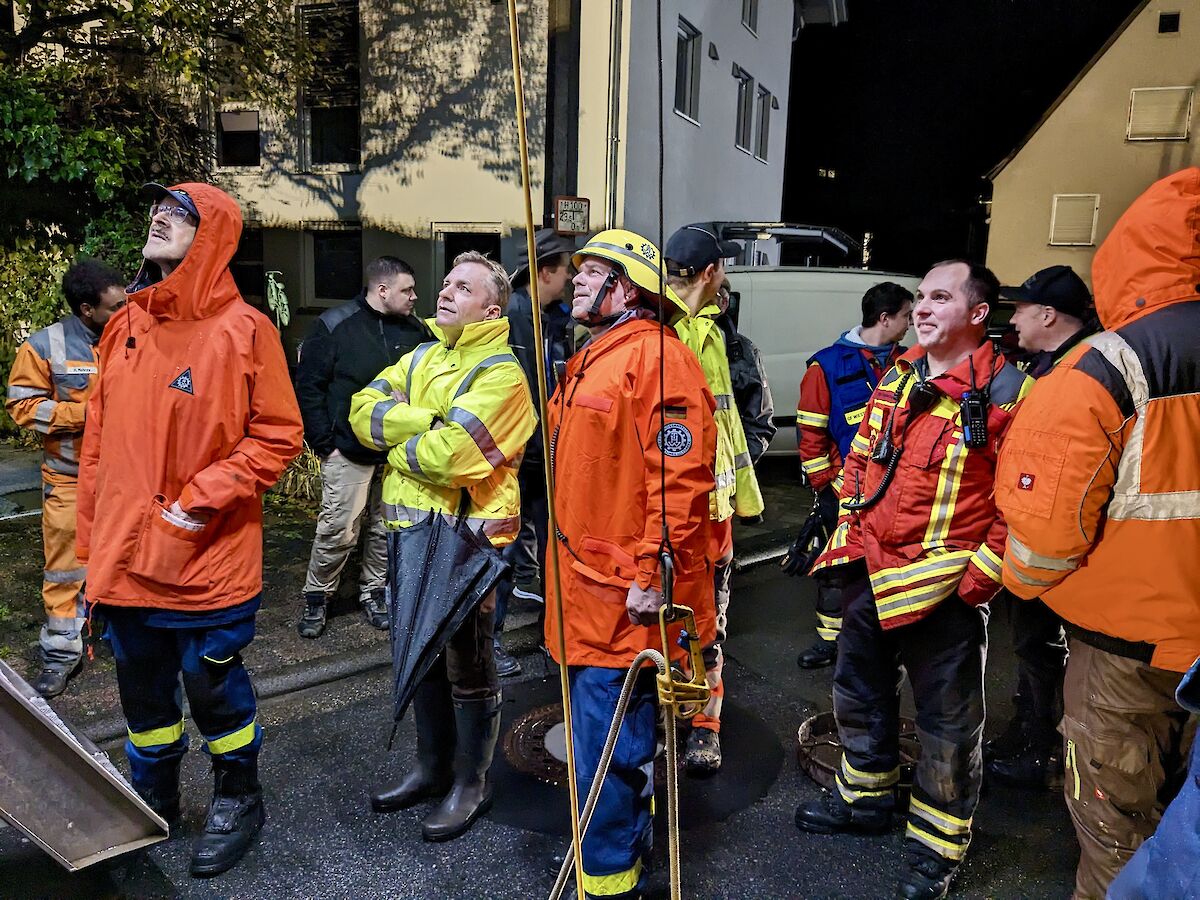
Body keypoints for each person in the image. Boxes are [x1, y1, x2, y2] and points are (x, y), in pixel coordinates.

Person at [75, 183, 303, 876]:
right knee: (142, 696)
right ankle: (156, 799)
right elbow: (97, 452)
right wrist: (89, 556)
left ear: (213, 237)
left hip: (204, 560)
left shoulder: (246, 330)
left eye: (179, 214)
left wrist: (198, 499)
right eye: (157, 210)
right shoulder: (126, 326)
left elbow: (278, 435)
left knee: (213, 691)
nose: (159, 217)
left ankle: (240, 797)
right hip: (124, 564)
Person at [794, 260, 1032, 900]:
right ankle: (866, 803)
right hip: (872, 573)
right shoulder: (899, 376)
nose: (922, 308)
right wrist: (846, 537)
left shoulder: (1012, 392)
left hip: (945, 591)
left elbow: (1025, 502)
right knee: (857, 691)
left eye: (940, 298)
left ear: (978, 314)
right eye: (920, 298)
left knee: (947, 725)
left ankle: (936, 848)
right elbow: (859, 465)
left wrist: (979, 581)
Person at [995, 168, 1200, 900]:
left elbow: (1044, 539)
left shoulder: (1105, 369)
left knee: (1117, 834)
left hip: (1125, 660)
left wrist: (1017, 588)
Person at [545, 229, 716, 899]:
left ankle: (609, 881)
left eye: (594, 271)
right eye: (581, 270)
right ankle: (621, 853)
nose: (577, 280)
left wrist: (651, 575)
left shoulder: (656, 361)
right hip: (587, 591)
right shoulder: (599, 356)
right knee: (613, 741)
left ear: (629, 288)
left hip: (622, 596)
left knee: (607, 748)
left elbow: (680, 483)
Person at [349, 251, 536, 842]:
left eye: (464, 287)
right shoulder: (423, 354)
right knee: (422, 655)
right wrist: (429, 422)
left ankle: (470, 784)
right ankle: (433, 770)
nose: (446, 293)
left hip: (468, 546)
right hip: (413, 539)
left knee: (470, 666)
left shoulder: (502, 374)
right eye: (447, 283)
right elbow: (360, 413)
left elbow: (456, 458)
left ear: (492, 307)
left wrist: (400, 444)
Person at [984, 265, 1098, 790]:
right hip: (1046, 538)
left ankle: (1039, 745)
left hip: (1057, 546)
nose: (1015, 320)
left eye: (1022, 310)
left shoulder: (1077, 373)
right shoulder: (1053, 365)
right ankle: (1030, 731)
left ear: (1048, 315)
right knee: (1036, 643)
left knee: (1043, 645)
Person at [664, 222, 765, 775]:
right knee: (694, 626)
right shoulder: (662, 336)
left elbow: (741, 423)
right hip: (690, 517)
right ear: (713, 272)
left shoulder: (717, 337)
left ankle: (700, 723)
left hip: (707, 514)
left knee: (695, 626)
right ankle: (690, 722)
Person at [5, 259, 126, 697]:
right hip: (71, 478)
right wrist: (88, 414)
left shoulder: (133, 337)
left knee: (125, 559)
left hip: (126, 479)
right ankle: (60, 653)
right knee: (66, 569)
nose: (124, 312)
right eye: (114, 307)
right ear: (85, 309)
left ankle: (118, 635)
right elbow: (22, 407)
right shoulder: (44, 347)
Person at [294, 255, 431, 639]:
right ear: (382, 290)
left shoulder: (416, 331)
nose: (414, 297)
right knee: (339, 527)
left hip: (395, 452)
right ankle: (317, 596)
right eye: (407, 290)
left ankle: (374, 592)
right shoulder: (335, 326)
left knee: (383, 528)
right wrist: (326, 444)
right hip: (347, 449)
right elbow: (309, 386)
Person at [794, 281, 912, 670]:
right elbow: (810, 435)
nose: (911, 324)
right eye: (906, 317)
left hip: (895, 490)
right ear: (885, 318)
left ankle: (881, 637)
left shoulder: (909, 363)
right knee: (836, 569)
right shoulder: (825, 366)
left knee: (889, 564)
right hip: (844, 491)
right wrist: (824, 488)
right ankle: (831, 642)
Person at [493, 228, 576, 677]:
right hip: (518, 458)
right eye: (566, 271)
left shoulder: (552, 320)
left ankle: (554, 636)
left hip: (545, 456)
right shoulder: (512, 320)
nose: (570, 280)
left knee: (552, 548)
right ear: (545, 272)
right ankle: (490, 645)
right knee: (501, 553)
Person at [714, 278, 776, 464]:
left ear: (723, 304)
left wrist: (736, 469)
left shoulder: (743, 352)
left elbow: (760, 421)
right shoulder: (674, 338)